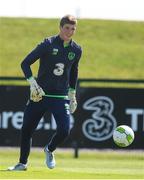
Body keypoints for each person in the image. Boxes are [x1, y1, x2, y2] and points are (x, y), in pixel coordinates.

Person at [8, 15, 82, 171]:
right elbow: (25, 63)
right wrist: (32, 83)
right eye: (67, 28)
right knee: (27, 129)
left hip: (60, 96)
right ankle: (22, 163)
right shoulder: (47, 44)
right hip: (40, 95)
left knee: (64, 130)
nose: (70, 31)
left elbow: (74, 71)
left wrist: (72, 93)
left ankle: (49, 149)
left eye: (73, 29)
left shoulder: (76, 49)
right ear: (60, 27)